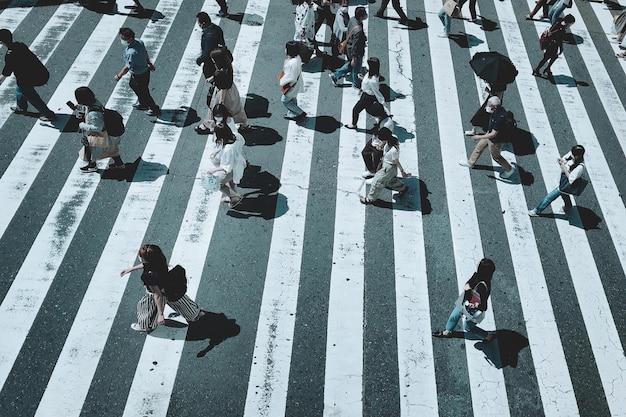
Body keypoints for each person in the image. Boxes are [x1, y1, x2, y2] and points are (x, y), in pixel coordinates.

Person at [120, 244, 205, 332]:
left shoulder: (149, 276)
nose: (139, 256)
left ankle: (146, 325)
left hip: (157, 293)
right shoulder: (160, 259)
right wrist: (131, 269)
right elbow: (146, 265)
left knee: (146, 308)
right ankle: (195, 314)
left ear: (146, 260)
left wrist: (161, 314)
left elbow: (158, 295)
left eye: (141, 256)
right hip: (170, 286)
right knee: (181, 302)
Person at [432, 258, 496, 342]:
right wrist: (468, 286)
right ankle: (447, 332)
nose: (477, 262)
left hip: (473, 310)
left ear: (482, 269)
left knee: (468, 328)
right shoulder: (477, 275)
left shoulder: (484, 287)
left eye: (479, 263)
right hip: (465, 300)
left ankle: (487, 336)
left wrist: (475, 305)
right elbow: (470, 281)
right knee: (454, 316)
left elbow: (483, 306)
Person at [0, 29, 56, 122]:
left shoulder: (10, 55)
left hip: (30, 78)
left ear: (1, 42)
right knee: (20, 88)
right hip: (41, 72)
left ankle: (48, 114)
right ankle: (21, 108)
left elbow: (5, 73)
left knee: (31, 96)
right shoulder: (20, 45)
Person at [459, 96, 515, 179]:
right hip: (489, 134)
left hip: (495, 141)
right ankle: (470, 163)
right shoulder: (498, 110)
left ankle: (509, 169)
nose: (487, 107)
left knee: (496, 157)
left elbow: (493, 134)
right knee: (479, 147)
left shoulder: (500, 118)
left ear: (495, 108)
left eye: (489, 106)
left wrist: (479, 137)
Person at [70, 86, 124, 172]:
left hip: (100, 135)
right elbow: (87, 108)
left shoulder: (93, 113)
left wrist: (82, 125)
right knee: (112, 149)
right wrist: (78, 107)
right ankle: (119, 163)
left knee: (91, 149)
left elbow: (98, 127)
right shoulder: (95, 102)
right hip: (108, 133)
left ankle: (92, 166)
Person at [197, 48, 250, 133]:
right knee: (236, 108)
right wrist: (213, 78)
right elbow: (222, 77)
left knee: (214, 109)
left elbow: (223, 88)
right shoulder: (228, 65)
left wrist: (221, 101)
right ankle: (245, 124)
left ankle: (207, 125)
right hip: (232, 90)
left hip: (223, 94)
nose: (213, 61)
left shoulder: (220, 73)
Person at [114, 27, 160, 116]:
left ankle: (154, 108)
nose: (121, 40)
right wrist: (149, 63)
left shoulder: (132, 52)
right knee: (134, 86)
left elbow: (127, 67)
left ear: (130, 39)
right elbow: (145, 52)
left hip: (139, 74)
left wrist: (119, 76)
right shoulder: (139, 41)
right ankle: (143, 103)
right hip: (144, 71)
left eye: (123, 38)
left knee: (143, 92)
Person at [528, 145, 585, 216]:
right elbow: (565, 158)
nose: (572, 155)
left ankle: (537, 210)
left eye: (574, 155)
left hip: (565, 183)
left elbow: (571, 179)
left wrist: (564, 167)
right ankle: (568, 206)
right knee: (564, 193)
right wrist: (562, 161)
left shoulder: (580, 167)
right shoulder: (573, 154)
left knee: (549, 197)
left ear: (579, 156)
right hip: (562, 179)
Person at [359, 128, 410, 205]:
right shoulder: (393, 138)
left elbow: (396, 161)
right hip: (387, 165)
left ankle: (370, 199)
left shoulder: (393, 150)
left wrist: (402, 171)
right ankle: (402, 188)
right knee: (390, 180)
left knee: (377, 182)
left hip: (388, 167)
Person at [207, 123, 247, 208]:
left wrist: (213, 170)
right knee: (231, 181)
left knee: (217, 183)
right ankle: (233, 195)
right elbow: (242, 142)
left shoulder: (228, 149)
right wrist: (217, 151)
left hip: (233, 168)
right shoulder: (236, 135)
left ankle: (234, 197)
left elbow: (226, 167)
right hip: (239, 163)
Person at [329, 6, 367, 89]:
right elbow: (356, 45)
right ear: (361, 16)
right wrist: (355, 57)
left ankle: (335, 75)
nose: (366, 15)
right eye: (365, 14)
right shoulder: (358, 30)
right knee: (356, 68)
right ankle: (356, 84)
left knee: (350, 65)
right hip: (355, 51)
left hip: (349, 47)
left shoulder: (353, 19)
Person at [345, 57, 385, 129]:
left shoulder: (373, 80)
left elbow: (376, 91)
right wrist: (363, 79)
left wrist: (383, 103)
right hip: (366, 94)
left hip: (367, 97)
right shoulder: (373, 73)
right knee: (368, 109)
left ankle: (354, 124)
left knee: (356, 110)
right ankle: (381, 117)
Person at [361, 102, 394, 178]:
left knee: (377, 161)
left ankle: (377, 175)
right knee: (365, 153)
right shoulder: (383, 111)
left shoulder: (387, 125)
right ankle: (371, 171)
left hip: (380, 144)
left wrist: (380, 146)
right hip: (374, 139)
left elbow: (386, 138)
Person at [280, 41, 306, 122]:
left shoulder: (292, 63)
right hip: (297, 83)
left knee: (285, 101)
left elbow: (291, 78)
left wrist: (282, 82)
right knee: (293, 99)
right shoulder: (297, 58)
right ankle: (292, 113)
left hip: (292, 86)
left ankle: (299, 113)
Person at [196, 12, 225, 85]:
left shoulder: (209, 35)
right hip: (219, 58)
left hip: (211, 63)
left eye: (199, 23)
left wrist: (199, 60)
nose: (198, 25)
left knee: (214, 79)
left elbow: (207, 52)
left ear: (203, 23)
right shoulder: (217, 28)